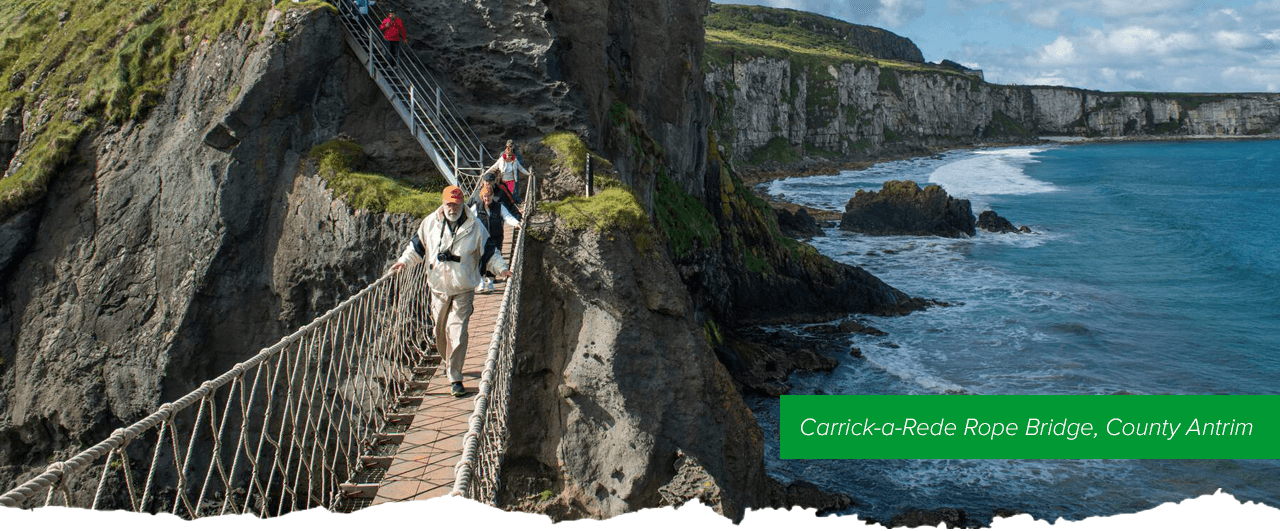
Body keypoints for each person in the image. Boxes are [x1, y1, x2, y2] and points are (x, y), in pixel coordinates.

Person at [389, 186, 512, 398]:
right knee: (440, 331)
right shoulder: (430, 223)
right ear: (443, 203)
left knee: (457, 330)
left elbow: (489, 251)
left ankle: (455, 377)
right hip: (438, 288)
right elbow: (416, 248)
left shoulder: (475, 226)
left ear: (462, 202)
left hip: (463, 288)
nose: (452, 208)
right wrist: (402, 262)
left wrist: (501, 268)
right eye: (448, 204)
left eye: (455, 204)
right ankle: (449, 361)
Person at [469, 182, 521, 294]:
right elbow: (468, 219)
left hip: (496, 238)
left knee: (495, 257)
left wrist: (516, 223)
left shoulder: (499, 207)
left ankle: (491, 282)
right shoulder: (476, 208)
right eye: (484, 196)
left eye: (489, 196)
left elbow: (507, 217)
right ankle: (481, 282)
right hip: (481, 239)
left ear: (492, 196)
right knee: (481, 259)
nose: (487, 198)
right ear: (481, 197)